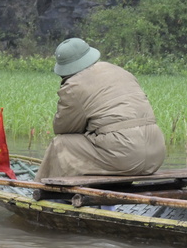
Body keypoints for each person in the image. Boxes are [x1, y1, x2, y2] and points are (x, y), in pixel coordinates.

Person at [35, 38, 166, 181]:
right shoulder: (121, 71)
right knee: (103, 142)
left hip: (125, 156)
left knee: (61, 144)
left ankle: (47, 194)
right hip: (156, 153)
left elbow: (63, 127)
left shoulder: (74, 85)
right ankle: (107, 203)